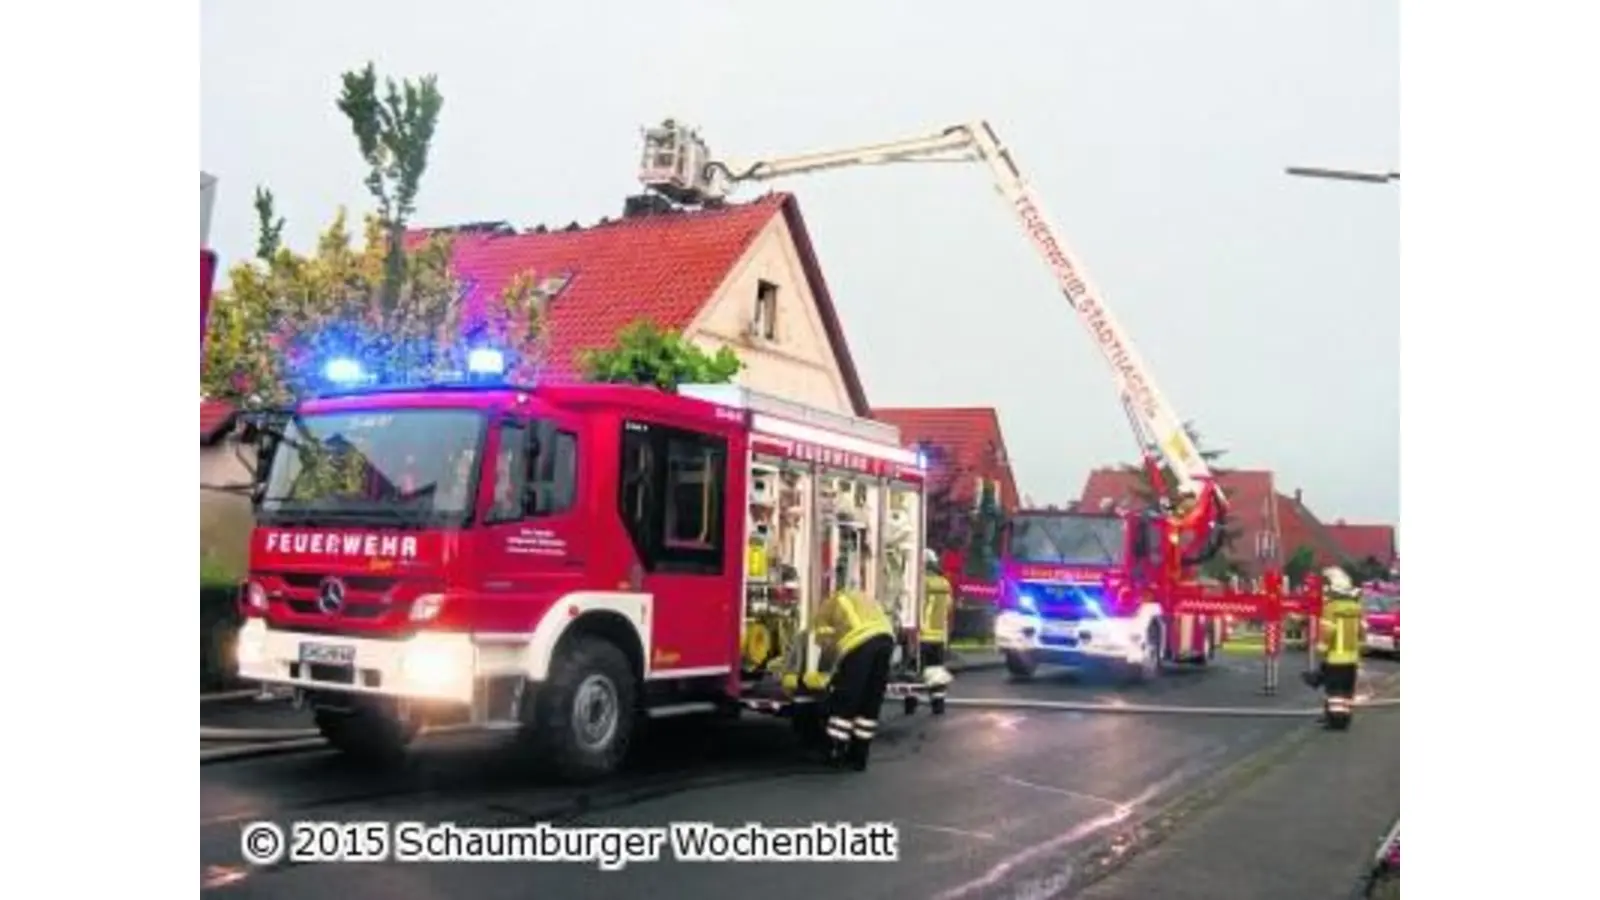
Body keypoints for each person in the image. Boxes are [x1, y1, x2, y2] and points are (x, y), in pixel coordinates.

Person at [814, 586, 897, 771]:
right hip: (886, 640)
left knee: (847, 697)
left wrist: (828, 672)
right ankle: (860, 756)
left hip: (859, 643)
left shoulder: (828, 605)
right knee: (871, 698)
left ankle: (835, 751)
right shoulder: (861, 597)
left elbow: (826, 643)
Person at [1303, 566, 1365, 729]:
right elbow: (1362, 631)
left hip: (1336, 657)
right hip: (1351, 658)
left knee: (1334, 693)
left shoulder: (1331, 608)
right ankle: (1343, 719)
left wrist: (1322, 647)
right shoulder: (1357, 608)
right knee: (1346, 692)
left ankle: (1335, 721)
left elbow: (1328, 630)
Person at [920, 550, 955, 697]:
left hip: (922, 635)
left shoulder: (920, 583)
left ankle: (913, 699)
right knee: (936, 670)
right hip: (939, 636)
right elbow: (949, 607)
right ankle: (938, 699)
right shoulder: (944, 583)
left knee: (918, 670)